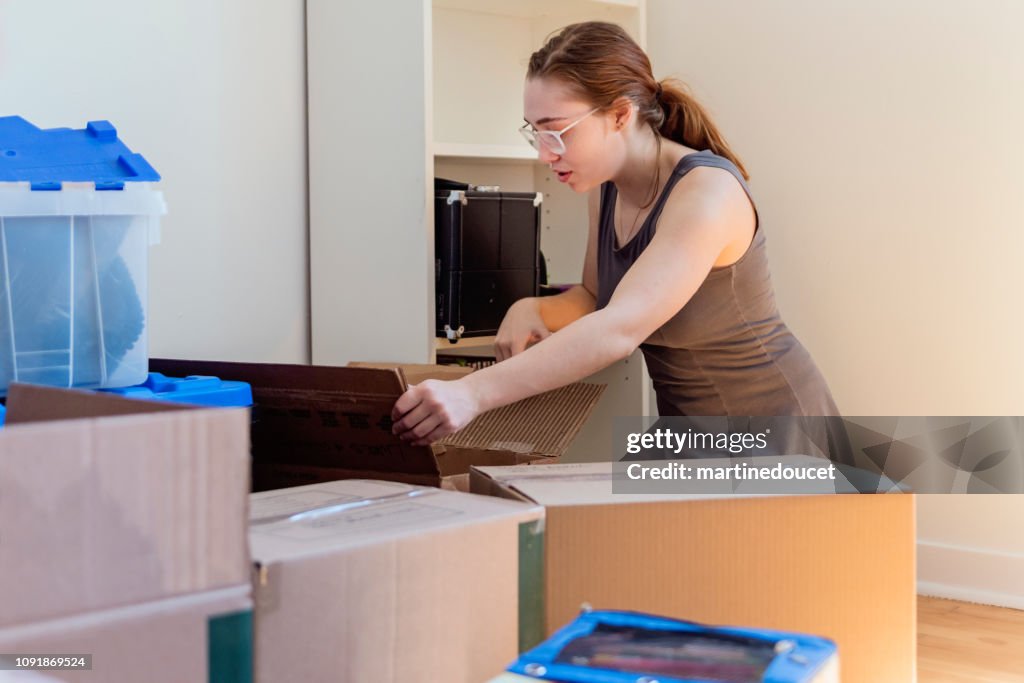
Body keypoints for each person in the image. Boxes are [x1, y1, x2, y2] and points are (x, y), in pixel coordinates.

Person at [392, 21, 839, 447]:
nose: (547, 156)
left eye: (557, 133)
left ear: (621, 115)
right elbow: (595, 297)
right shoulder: (605, 188)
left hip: (778, 431)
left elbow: (618, 328)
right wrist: (533, 308)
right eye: (535, 134)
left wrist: (471, 393)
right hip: (690, 432)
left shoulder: (707, 193)